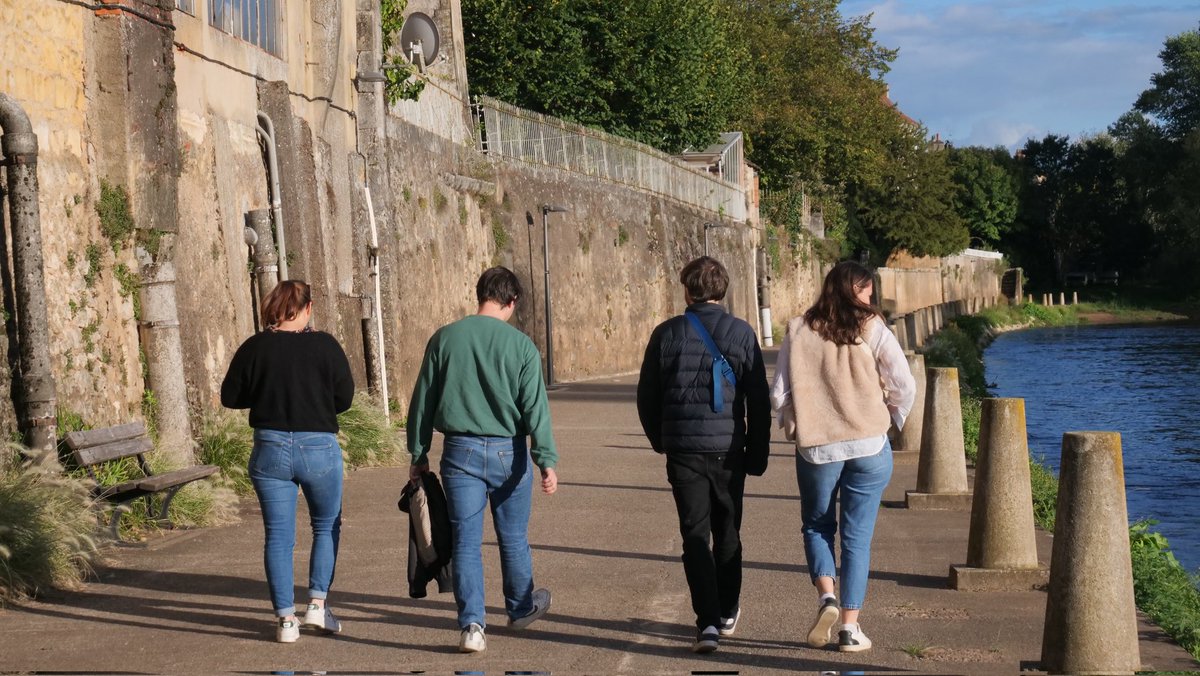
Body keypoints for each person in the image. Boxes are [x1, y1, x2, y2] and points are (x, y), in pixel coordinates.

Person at [406, 266, 559, 654]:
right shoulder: (522, 347)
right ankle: (520, 608)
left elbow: (423, 402)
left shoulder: (445, 339)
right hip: (510, 452)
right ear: (512, 301)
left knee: (466, 541)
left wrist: (418, 453)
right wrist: (545, 460)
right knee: (513, 538)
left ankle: (472, 626)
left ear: (480, 295)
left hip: (460, 452)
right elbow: (535, 409)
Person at [770, 261, 916, 653]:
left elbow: (779, 394)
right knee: (857, 538)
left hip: (817, 446)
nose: (870, 296)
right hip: (869, 443)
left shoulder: (798, 329)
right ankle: (850, 629)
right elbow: (904, 383)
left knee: (816, 526)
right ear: (857, 290)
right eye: (867, 290)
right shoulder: (872, 326)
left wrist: (795, 423)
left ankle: (827, 596)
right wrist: (891, 419)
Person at [636, 256, 771, 654]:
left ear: (687, 291)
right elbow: (758, 401)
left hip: (684, 450)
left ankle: (707, 624)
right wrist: (757, 453)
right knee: (728, 532)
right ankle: (727, 610)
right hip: (728, 449)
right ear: (723, 290)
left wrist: (661, 439)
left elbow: (647, 397)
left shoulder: (666, 334)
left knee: (694, 534)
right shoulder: (742, 333)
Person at [221, 280, 354, 643]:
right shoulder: (326, 345)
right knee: (325, 525)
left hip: (270, 447)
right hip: (318, 447)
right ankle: (317, 604)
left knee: (278, 537)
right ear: (308, 308)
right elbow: (344, 398)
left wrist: (264, 393)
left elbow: (230, 397)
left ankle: (285, 622)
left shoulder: (254, 347)